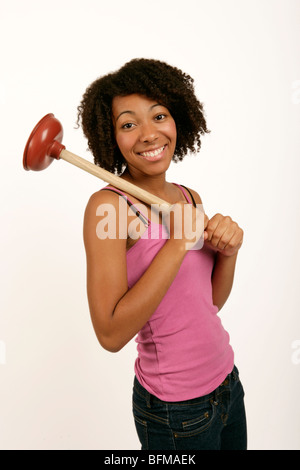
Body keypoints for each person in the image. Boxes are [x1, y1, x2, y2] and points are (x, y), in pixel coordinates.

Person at [77, 58, 247, 450]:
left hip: (227, 384)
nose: (149, 134)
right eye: (128, 124)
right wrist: (176, 243)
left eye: (159, 116)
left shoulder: (189, 198)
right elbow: (110, 333)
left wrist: (230, 253)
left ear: (178, 120)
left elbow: (210, 303)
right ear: (111, 136)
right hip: (175, 411)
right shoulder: (109, 208)